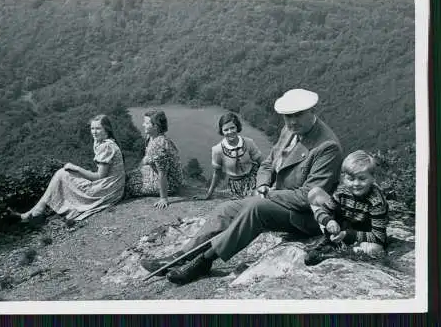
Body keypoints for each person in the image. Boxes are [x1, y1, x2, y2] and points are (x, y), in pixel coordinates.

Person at [140, 88, 343, 285]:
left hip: (305, 216)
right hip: (278, 199)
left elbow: (309, 196)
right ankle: (180, 256)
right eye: (287, 116)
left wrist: (269, 195)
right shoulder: (289, 130)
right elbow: (268, 164)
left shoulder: (327, 146)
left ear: (313, 111)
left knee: (256, 208)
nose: (292, 121)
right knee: (226, 209)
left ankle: (204, 261)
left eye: (298, 115)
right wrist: (263, 184)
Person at [8, 114, 126, 222]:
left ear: (107, 129)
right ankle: (37, 210)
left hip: (108, 190)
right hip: (111, 187)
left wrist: (77, 168)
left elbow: (99, 176)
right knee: (63, 174)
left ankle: (36, 211)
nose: (94, 132)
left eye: (98, 128)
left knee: (62, 174)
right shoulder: (104, 143)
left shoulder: (106, 146)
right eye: (92, 128)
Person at [304, 150, 389, 266]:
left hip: (363, 233)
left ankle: (336, 252)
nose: (356, 184)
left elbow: (379, 237)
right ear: (344, 178)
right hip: (344, 225)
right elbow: (322, 211)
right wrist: (328, 221)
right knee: (315, 193)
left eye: (362, 179)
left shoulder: (376, 202)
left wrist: (347, 235)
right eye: (351, 179)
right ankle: (331, 239)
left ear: (372, 178)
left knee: (374, 249)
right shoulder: (342, 191)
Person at [193, 113, 263, 200]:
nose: (230, 132)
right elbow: (217, 174)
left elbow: (263, 163)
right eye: (226, 130)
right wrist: (208, 194)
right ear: (222, 131)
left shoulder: (249, 142)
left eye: (232, 128)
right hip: (236, 186)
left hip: (254, 178)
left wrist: (266, 181)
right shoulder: (217, 150)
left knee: (257, 199)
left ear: (237, 127)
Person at [124, 110, 184, 209]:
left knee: (129, 186)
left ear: (155, 126)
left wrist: (163, 198)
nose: (143, 125)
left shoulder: (159, 145)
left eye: (147, 123)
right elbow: (146, 158)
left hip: (170, 182)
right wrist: (137, 172)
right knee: (126, 177)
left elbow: (162, 173)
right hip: (155, 172)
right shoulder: (151, 137)